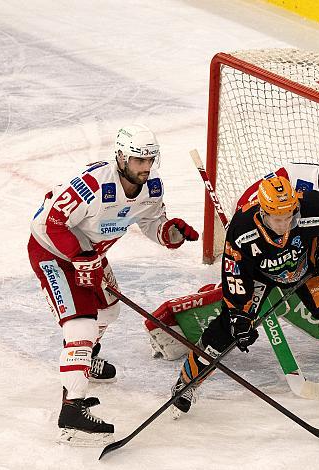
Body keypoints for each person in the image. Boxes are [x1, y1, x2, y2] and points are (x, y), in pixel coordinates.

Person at [28, 124, 199, 445]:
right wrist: (79, 257)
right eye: (138, 160)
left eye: (150, 160)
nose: (145, 168)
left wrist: (170, 233)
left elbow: (152, 223)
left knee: (108, 310)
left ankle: (86, 360)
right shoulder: (91, 184)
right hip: (52, 251)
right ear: (120, 157)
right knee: (80, 324)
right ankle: (72, 406)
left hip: (89, 253)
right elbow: (53, 222)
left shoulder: (152, 187)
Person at [169, 175, 319, 418]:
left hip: (309, 270)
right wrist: (239, 316)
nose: (285, 224)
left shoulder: (308, 205)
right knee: (227, 329)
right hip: (259, 276)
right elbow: (234, 276)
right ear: (263, 212)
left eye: (290, 217)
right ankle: (186, 383)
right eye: (277, 219)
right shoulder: (242, 229)